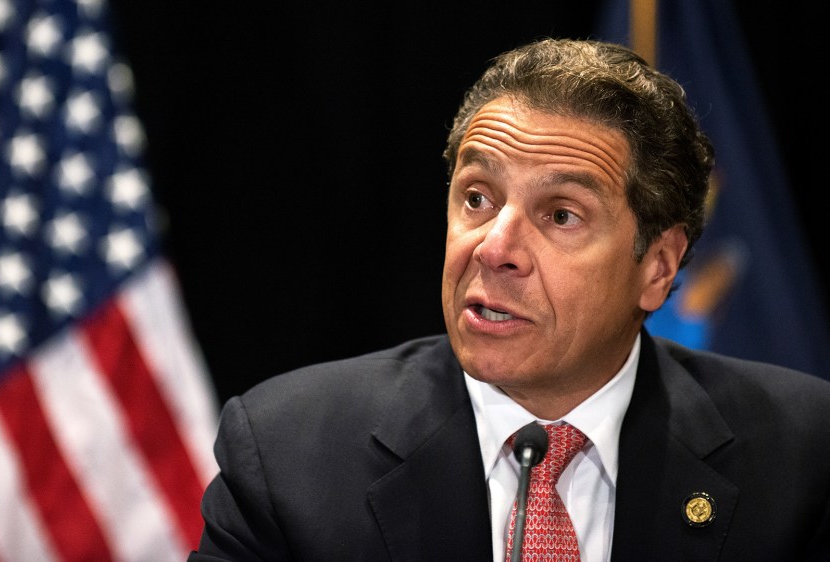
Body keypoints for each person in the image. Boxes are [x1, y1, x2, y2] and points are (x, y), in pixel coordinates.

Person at [188, 38, 830, 561]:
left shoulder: (803, 458)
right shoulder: (287, 454)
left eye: (560, 215)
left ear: (657, 268)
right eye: (477, 198)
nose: (495, 248)